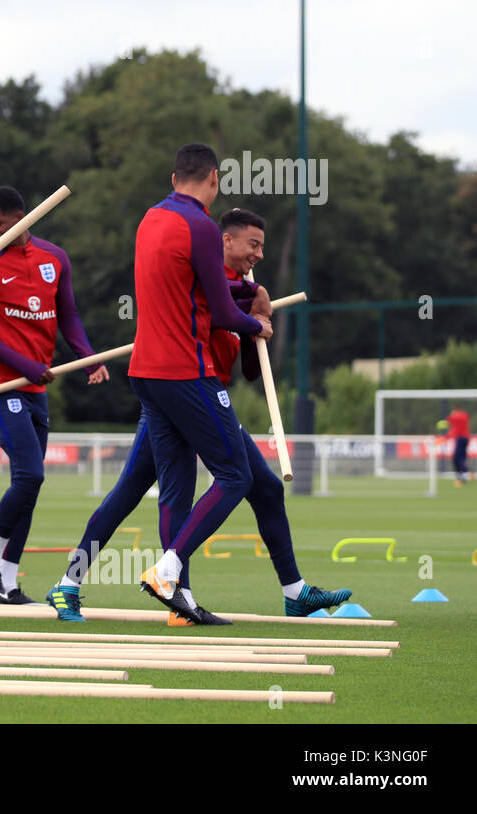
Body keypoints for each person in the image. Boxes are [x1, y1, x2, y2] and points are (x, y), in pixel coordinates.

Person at [44, 208, 351, 623]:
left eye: (263, 246)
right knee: (174, 491)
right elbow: (215, 308)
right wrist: (249, 310)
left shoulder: (245, 290)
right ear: (225, 241)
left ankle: (294, 592)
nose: (259, 254)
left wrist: (257, 325)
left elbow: (247, 369)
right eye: (252, 244)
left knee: (262, 488)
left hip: (204, 393)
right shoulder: (202, 281)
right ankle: (148, 590)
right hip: (184, 388)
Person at [126, 144, 273, 616]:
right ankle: (168, 570)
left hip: (144, 373)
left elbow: (198, 290)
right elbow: (224, 311)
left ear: (174, 180)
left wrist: (245, 295)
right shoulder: (203, 227)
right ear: (214, 178)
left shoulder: (150, 219)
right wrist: (258, 325)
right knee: (235, 475)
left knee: (175, 489)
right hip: (185, 371)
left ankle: (180, 598)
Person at [0, 185, 108, 604]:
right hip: (0, 384)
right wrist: (27, 367)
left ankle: (7, 580)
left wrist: (88, 357)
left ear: (23, 219)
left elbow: (69, 316)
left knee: (28, 485)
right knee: (30, 475)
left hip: (35, 387)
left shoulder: (54, 258)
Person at [444, 407, 470, 484]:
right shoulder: (464, 415)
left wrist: (447, 436)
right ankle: (465, 475)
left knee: (457, 459)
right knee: (461, 458)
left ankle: (462, 478)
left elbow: (449, 421)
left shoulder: (455, 416)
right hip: (466, 438)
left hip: (460, 439)